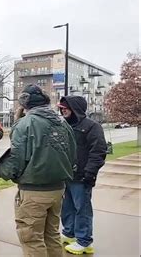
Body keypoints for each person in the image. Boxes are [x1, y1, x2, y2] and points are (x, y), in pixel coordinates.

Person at [0, 84, 76, 257]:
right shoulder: (62, 123)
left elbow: (15, 162)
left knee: (32, 239)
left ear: (24, 104)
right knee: (51, 235)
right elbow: (73, 156)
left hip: (34, 192)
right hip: (58, 190)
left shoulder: (26, 124)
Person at [58, 96, 107, 255]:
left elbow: (98, 152)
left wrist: (90, 173)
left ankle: (84, 241)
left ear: (75, 108)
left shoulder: (92, 127)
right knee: (67, 207)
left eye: (66, 107)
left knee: (82, 209)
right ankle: (69, 233)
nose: (63, 109)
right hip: (67, 175)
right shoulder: (65, 125)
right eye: (61, 107)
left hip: (82, 176)